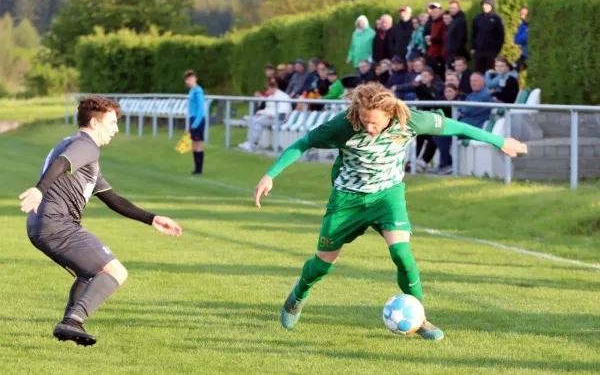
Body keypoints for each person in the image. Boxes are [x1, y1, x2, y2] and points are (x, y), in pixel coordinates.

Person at [253, 83, 527, 340]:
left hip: (387, 195)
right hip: (347, 199)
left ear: (389, 113)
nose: (368, 126)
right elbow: (302, 144)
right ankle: (297, 297)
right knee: (321, 266)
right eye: (364, 119)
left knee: (402, 254)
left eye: (374, 121)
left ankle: (419, 318)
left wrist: (500, 141)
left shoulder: (410, 120)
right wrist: (270, 175)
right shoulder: (344, 125)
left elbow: (456, 126)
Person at [18, 95, 183, 346]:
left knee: (90, 273)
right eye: (112, 122)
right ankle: (72, 321)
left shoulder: (79, 150)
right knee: (115, 271)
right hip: (57, 224)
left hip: (43, 225)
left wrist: (152, 219)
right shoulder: (85, 146)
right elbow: (63, 163)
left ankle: (68, 324)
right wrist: (40, 189)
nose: (116, 129)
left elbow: (113, 199)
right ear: (94, 123)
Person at [238, 78, 292, 151]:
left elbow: (284, 110)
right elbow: (268, 109)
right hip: (269, 116)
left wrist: (271, 114)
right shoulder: (270, 97)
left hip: (279, 117)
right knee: (254, 119)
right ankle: (250, 142)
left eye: (268, 88)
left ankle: (253, 143)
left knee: (259, 121)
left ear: (273, 88)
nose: (267, 91)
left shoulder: (283, 96)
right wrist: (261, 112)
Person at [185, 70, 206, 175]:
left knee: (198, 144)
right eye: (187, 80)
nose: (189, 82)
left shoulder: (198, 91)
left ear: (195, 79)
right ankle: (196, 168)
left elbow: (200, 109)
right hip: (192, 118)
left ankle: (199, 169)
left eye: (190, 79)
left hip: (198, 119)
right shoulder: (191, 91)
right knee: (194, 144)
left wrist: (195, 123)